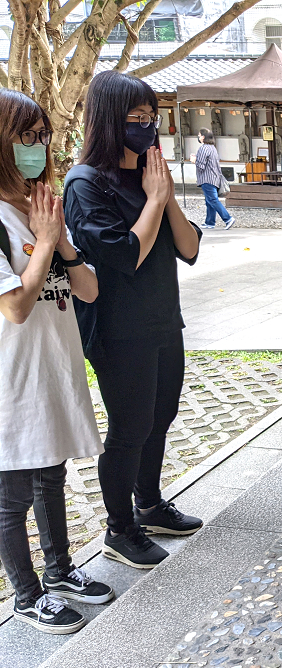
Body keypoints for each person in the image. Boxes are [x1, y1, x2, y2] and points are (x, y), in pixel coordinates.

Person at [64, 71, 204, 570]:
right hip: (119, 329)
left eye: (151, 118)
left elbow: (188, 248)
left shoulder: (152, 177)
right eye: (135, 118)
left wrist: (162, 197)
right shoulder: (85, 184)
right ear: (107, 121)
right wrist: (153, 201)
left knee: (160, 416)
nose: (146, 127)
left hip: (163, 319)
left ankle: (149, 504)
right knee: (130, 427)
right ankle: (119, 528)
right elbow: (126, 256)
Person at [0, 90, 114, 634]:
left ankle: (60, 572)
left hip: (53, 366)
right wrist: (44, 242)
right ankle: (26, 596)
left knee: (51, 477)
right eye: (25, 136)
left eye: (42, 135)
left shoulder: (40, 206)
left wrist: (60, 241)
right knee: (12, 495)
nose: (37, 147)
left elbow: (89, 290)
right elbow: (17, 307)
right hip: (13, 377)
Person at [193, 128, 234, 230]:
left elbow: (201, 166)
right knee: (209, 200)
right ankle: (210, 222)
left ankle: (228, 218)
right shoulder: (213, 148)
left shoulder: (203, 148)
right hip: (215, 178)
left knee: (212, 200)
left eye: (199, 135)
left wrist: (194, 160)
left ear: (203, 137)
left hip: (207, 179)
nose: (198, 137)